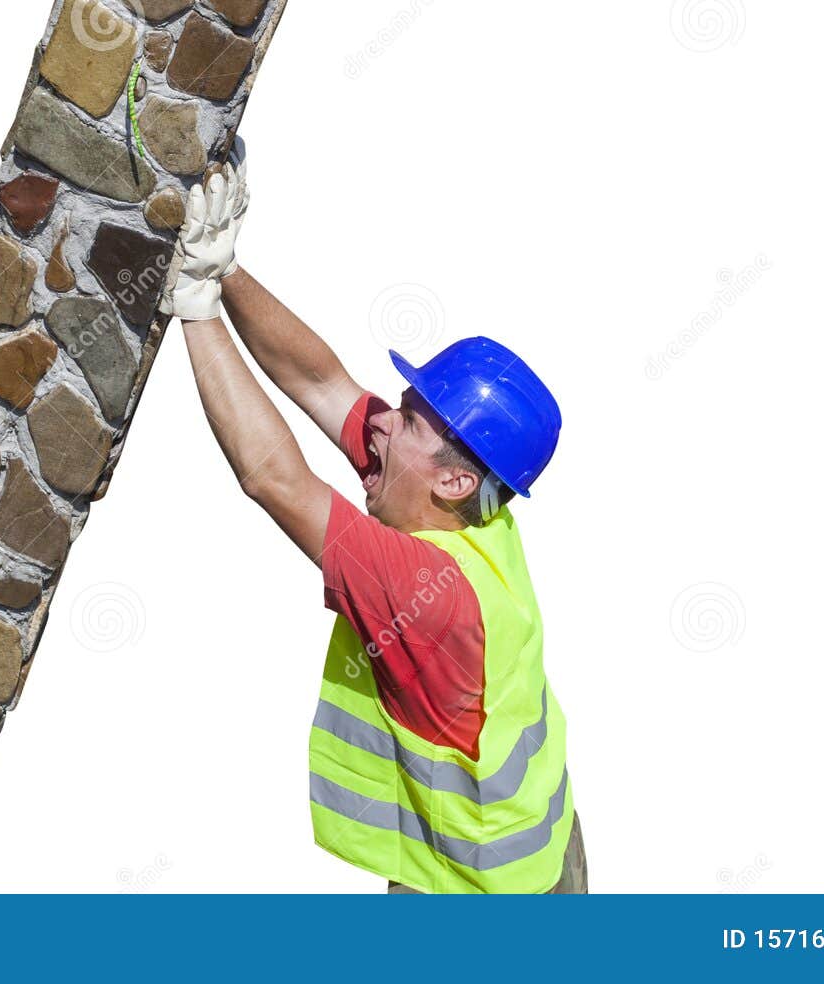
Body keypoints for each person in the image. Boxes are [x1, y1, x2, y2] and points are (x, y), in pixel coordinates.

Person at [161, 146, 585, 894]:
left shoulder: (426, 593)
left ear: (455, 476)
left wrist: (193, 313)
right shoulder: (458, 504)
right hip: (541, 852)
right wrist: (222, 270)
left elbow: (273, 479)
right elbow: (320, 382)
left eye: (412, 420)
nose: (382, 423)